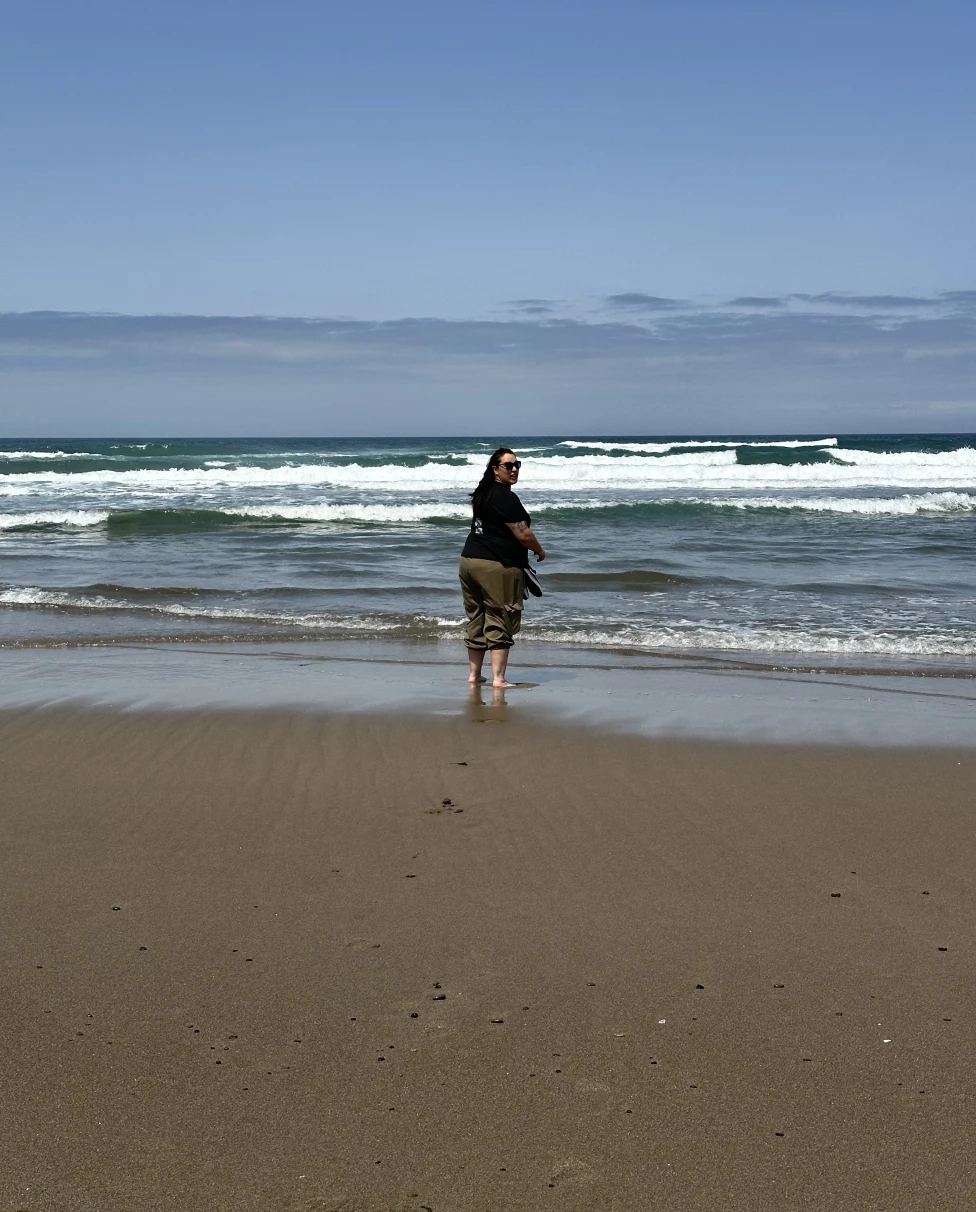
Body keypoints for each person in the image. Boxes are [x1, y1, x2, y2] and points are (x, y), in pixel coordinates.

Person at [458, 447, 546, 688]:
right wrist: (539, 550)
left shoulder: (483, 493)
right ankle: (499, 679)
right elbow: (522, 533)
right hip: (496, 565)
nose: (515, 469)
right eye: (509, 465)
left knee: (476, 617)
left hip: (469, 562)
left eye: (517, 464)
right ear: (495, 469)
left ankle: (475, 675)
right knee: (501, 615)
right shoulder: (505, 496)